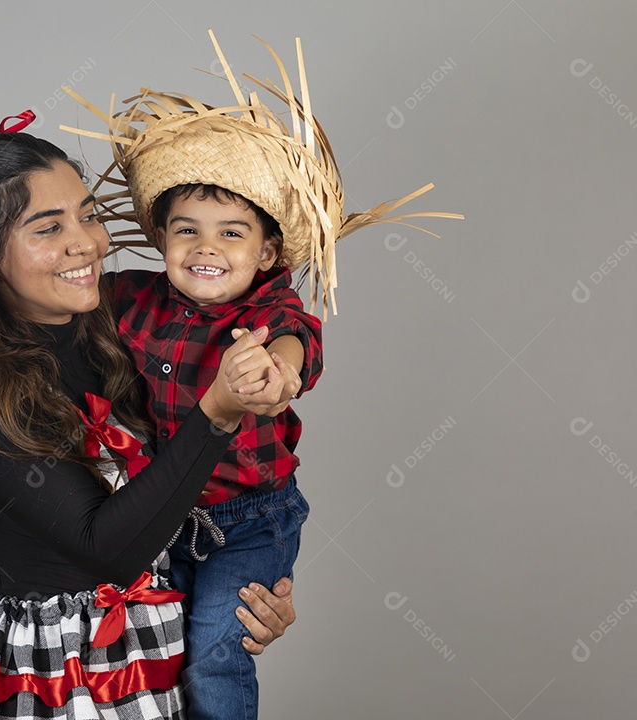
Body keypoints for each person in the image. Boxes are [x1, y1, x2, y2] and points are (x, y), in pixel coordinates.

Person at [62, 31, 463, 720]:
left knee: (215, 657)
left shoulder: (267, 310)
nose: (206, 247)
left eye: (231, 233)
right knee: (155, 656)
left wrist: (280, 373)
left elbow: (295, 340)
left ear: (268, 251)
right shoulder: (131, 298)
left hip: (250, 520)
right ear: (161, 240)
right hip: (160, 513)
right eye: (186, 230)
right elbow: (60, 307)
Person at [0, 114, 297, 720]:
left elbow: (271, 316)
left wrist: (240, 594)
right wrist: (218, 412)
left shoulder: (117, 333)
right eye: (50, 227)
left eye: (89, 215)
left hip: (153, 658)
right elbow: (107, 552)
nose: (89, 244)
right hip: (56, 679)